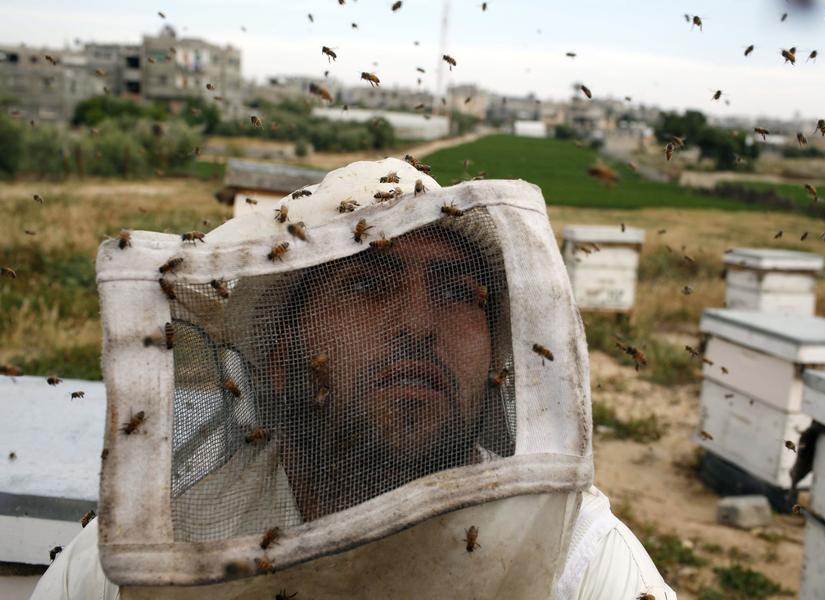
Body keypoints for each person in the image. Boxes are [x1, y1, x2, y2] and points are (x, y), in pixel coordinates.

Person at [31, 158, 675, 600]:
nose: (421, 322)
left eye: (458, 292)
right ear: (281, 359)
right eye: (368, 284)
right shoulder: (142, 554)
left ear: (497, 365)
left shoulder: (583, 559)